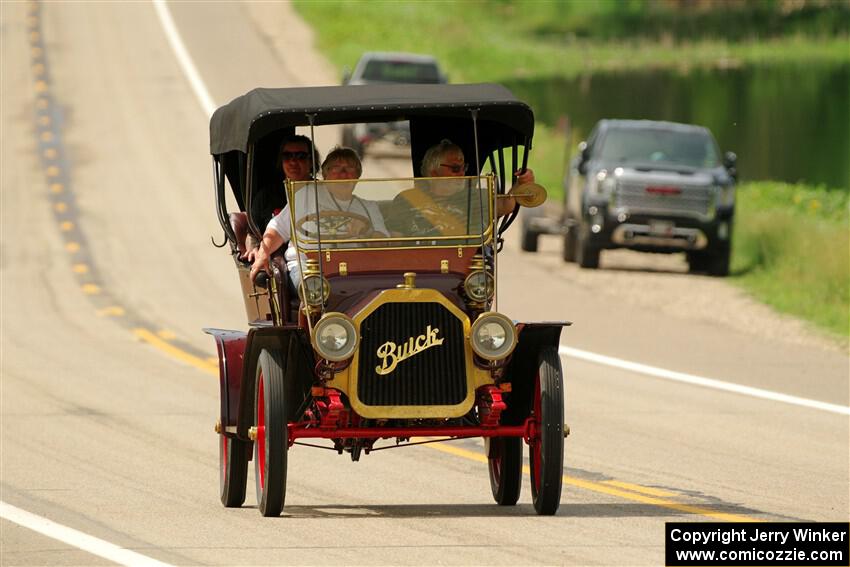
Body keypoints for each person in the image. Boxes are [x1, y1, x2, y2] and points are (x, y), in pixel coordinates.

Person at [250, 146, 388, 286]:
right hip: (309, 266)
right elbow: (278, 229)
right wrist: (263, 254)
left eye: (350, 168)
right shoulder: (307, 195)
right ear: (325, 174)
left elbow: (383, 244)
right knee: (314, 285)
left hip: (355, 268)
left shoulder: (369, 207)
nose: (343, 174)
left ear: (357, 176)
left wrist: (368, 232)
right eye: (336, 168)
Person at [385, 139, 535, 238]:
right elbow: (395, 239)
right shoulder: (406, 199)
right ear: (434, 172)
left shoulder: (476, 197)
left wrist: (521, 183)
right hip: (420, 268)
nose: (462, 173)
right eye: (455, 168)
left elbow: (506, 205)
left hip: (463, 267)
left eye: (464, 167)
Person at [239, 134, 320, 261]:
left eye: (301, 156)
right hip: (276, 262)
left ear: (311, 161)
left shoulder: (322, 192)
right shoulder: (266, 196)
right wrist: (254, 248)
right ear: (281, 161)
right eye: (287, 156)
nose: (293, 162)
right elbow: (252, 234)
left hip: (317, 258)